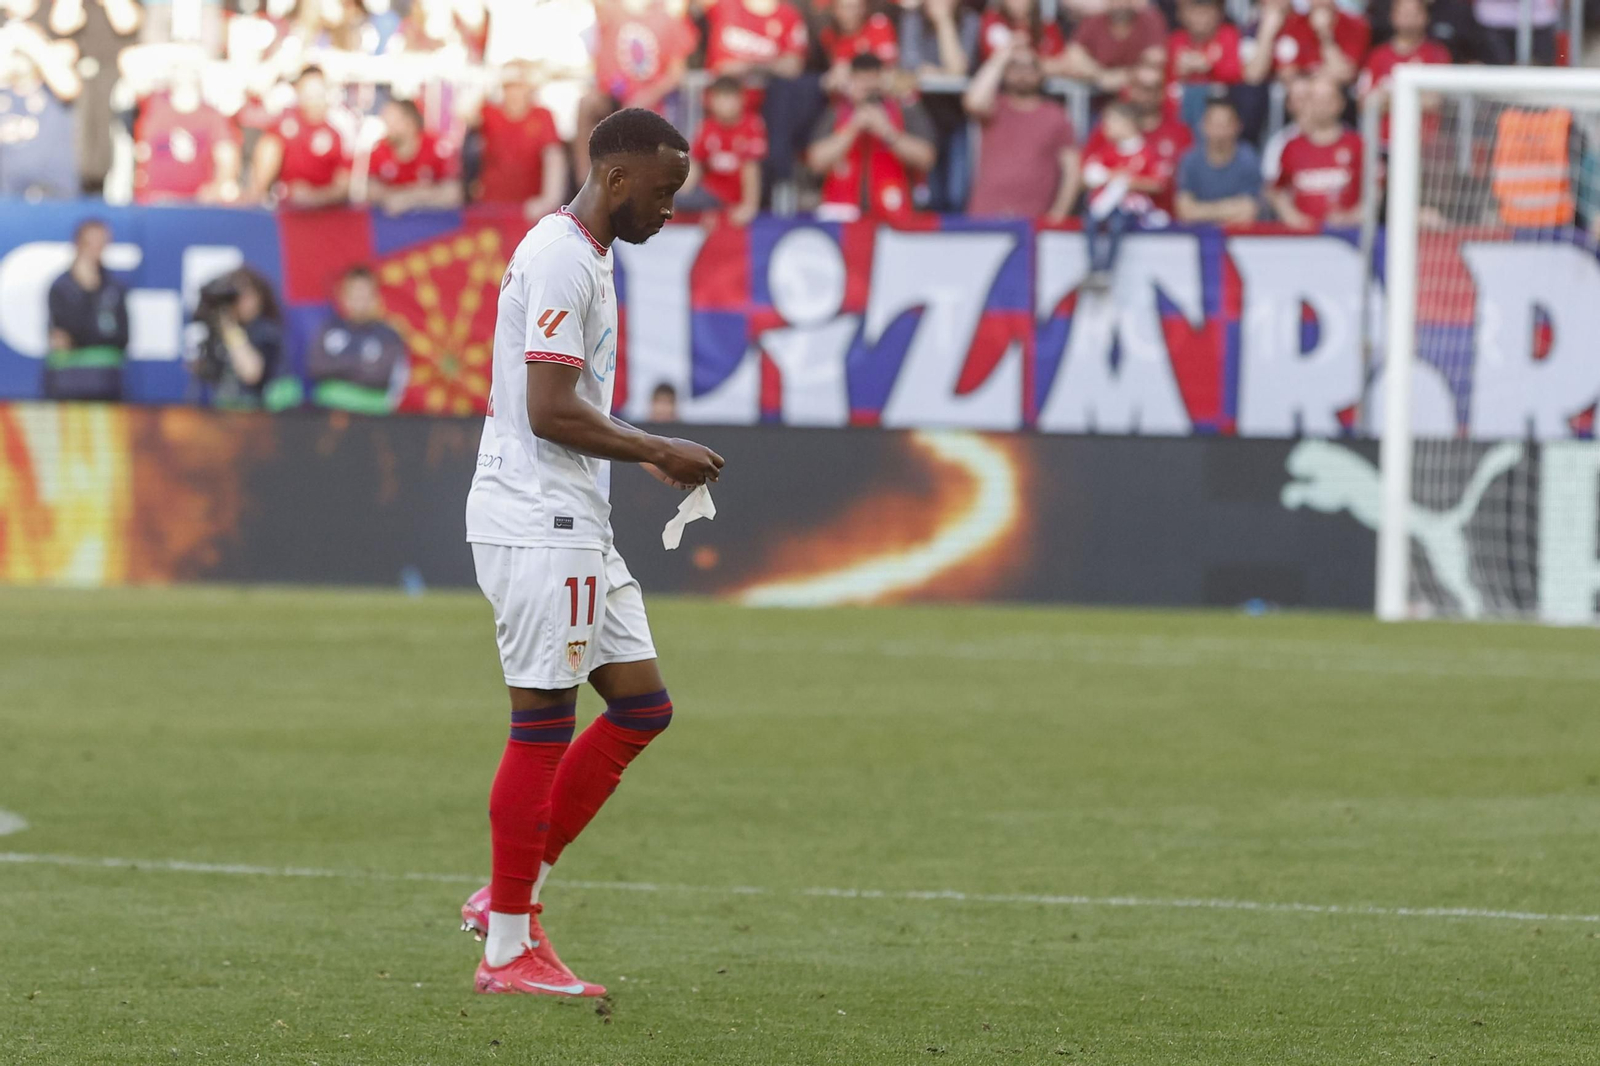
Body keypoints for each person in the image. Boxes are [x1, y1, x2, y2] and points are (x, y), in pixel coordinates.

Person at [460, 107, 724, 998]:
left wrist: (636, 454)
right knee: (540, 725)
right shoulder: (564, 258)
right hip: (541, 522)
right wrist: (658, 448)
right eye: (663, 191)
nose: (670, 209)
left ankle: (511, 890)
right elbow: (548, 407)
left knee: (642, 708)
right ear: (616, 179)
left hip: (575, 522)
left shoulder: (582, 253)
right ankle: (507, 946)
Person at [806, 53, 937, 221]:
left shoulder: (904, 109)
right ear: (851, 81)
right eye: (861, 81)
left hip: (893, 213)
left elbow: (926, 158)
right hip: (842, 216)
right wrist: (852, 128)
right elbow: (816, 161)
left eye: (872, 81)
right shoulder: (837, 111)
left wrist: (887, 132)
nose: (867, 88)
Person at [575, 0, 698, 175]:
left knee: (635, 121)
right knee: (587, 104)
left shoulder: (669, 17)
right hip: (612, 96)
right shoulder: (610, 8)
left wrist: (648, 95)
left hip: (652, 102)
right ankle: (586, 185)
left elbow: (676, 73)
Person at [963, 41, 1079, 220]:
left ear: (1040, 73)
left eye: (1030, 67)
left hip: (1034, 222)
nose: (1023, 73)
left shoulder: (1056, 115)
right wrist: (1000, 58)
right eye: (1015, 67)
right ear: (1005, 72)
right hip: (985, 216)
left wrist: (1059, 214)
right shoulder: (995, 107)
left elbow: (1072, 170)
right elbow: (973, 102)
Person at [1080, 101, 1168, 289]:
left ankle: (1106, 270)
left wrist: (1129, 182)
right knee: (1090, 221)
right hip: (1105, 205)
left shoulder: (1146, 153)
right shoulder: (1107, 151)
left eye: (1110, 122)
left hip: (1132, 207)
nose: (1105, 128)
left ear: (1128, 123)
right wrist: (1110, 177)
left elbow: (1158, 183)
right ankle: (1095, 267)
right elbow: (1089, 175)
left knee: (1117, 224)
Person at [132, 60, 240, 203]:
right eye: (180, 68)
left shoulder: (212, 116)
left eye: (191, 70)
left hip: (196, 204)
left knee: (230, 192)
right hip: (155, 200)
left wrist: (217, 188)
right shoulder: (153, 105)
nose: (185, 75)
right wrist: (183, 52)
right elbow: (130, 67)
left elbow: (228, 158)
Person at [45, 218, 127, 401]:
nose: (97, 249)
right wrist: (87, 292)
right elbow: (63, 333)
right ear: (78, 244)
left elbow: (122, 336)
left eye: (102, 243)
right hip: (69, 381)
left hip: (108, 380)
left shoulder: (114, 285)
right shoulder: (61, 287)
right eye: (91, 243)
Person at [307, 266, 408, 413]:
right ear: (343, 297)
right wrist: (359, 363)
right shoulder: (328, 329)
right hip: (329, 413)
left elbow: (381, 376)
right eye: (354, 295)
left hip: (372, 416)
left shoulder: (389, 336)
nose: (359, 302)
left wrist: (339, 367)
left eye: (365, 296)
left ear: (376, 298)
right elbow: (316, 367)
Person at [245, 65, 350, 207]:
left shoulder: (336, 132)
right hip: (286, 201)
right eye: (308, 92)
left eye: (317, 92)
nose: (313, 99)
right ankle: (255, 199)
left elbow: (343, 186)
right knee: (270, 143)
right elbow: (267, 148)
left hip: (323, 208)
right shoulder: (286, 119)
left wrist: (314, 197)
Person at [473, 61, 566, 218]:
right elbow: (464, 114)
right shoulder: (489, 113)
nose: (514, 92)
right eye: (509, 87)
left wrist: (549, 200)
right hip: (491, 207)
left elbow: (553, 157)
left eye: (519, 86)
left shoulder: (542, 115)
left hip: (529, 210)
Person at [0, 18, 81, 199]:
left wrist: (29, 41)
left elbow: (69, 87)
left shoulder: (53, 88)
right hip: (8, 199)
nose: (19, 57)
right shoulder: (3, 92)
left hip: (56, 195)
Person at [1269, 75, 1363, 229]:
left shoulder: (1358, 145)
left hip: (1349, 237)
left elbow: (1374, 191)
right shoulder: (1291, 147)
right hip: (1305, 240)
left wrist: (1353, 217)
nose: (1321, 105)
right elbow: (1277, 191)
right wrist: (1292, 217)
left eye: (1327, 99)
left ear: (1340, 103)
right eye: (1315, 98)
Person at [1357, 0, 1451, 145]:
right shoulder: (1377, 56)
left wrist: (1387, 98)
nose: (1408, 17)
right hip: (1383, 145)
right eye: (1403, 12)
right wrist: (1415, 97)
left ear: (1425, 16)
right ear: (1392, 16)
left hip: (1425, 146)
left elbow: (1437, 101)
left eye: (1414, 13)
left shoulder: (1438, 54)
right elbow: (1366, 103)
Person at [189, 267, 284, 409]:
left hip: (256, 414)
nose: (240, 302)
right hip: (218, 413)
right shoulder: (219, 331)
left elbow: (251, 373)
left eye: (246, 295)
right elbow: (204, 373)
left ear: (259, 297)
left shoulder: (266, 331)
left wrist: (231, 330)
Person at [679, 74, 765, 224]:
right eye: (720, 99)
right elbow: (696, 164)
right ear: (711, 101)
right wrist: (683, 191)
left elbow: (751, 168)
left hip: (733, 195)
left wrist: (749, 206)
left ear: (742, 100)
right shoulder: (707, 126)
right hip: (711, 193)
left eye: (730, 98)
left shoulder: (752, 125)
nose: (725, 105)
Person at [366, 97, 463, 213]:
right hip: (392, 227)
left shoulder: (437, 148)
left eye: (392, 122)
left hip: (435, 226)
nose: (387, 128)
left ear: (410, 122)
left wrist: (410, 197)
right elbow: (370, 191)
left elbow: (454, 193)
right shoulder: (379, 150)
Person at [1175, 96, 1260, 224]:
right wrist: (1229, 209)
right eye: (1215, 124)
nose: (1220, 132)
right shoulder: (1190, 160)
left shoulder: (1248, 159)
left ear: (1237, 126)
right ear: (1203, 125)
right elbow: (1184, 211)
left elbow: (1249, 212)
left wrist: (1201, 211)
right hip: (1198, 237)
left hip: (1239, 239)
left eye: (1225, 125)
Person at [1246, 0, 1369, 86]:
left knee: (1322, 89)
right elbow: (1285, 72)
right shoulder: (1295, 23)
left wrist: (1324, 35)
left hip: (1338, 97)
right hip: (1297, 97)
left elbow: (1344, 75)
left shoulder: (1355, 24)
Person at [1063, 0, 1167, 94]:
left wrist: (1125, 76)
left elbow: (1156, 57)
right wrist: (1102, 76)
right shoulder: (1094, 20)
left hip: (1139, 98)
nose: (1120, 4)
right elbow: (1074, 53)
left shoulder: (1150, 19)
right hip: (1098, 97)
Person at [820, 0, 899, 96]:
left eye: (857, 6)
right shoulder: (828, 36)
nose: (853, 12)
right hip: (846, 99)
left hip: (881, 95)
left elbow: (889, 68)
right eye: (845, 7)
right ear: (834, 10)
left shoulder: (878, 24)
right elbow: (833, 76)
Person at [978, 0, 1065, 69]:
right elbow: (990, 58)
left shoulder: (1047, 25)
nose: (1017, 1)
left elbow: (1062, 62)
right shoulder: (993, 20)